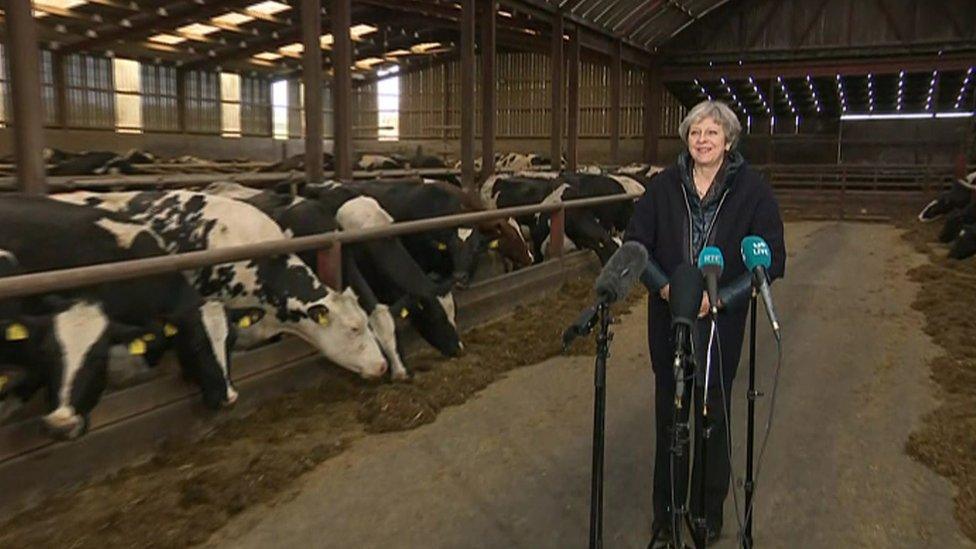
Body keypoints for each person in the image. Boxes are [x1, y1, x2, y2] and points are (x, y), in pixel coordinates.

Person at [624, 100, 786, 544]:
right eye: (696, 131)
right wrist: (665, 288)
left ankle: (706, 511)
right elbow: (636, 245)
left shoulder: (752, 191)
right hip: (671, 320)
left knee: (712, 418)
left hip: (720, 325)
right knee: (670, 419)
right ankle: (667, 512)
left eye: (712, 132)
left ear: (728, 140)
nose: (702, 140)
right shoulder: (663, 188)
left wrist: (721, 301)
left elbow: (772, 259)